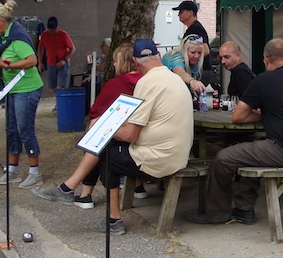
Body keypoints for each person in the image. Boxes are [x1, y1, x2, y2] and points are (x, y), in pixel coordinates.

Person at [188, 39, 283, 225]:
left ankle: (216, 214)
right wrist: (273, 112)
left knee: (223, 158)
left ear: (265, 59)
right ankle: (244, 208)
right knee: (253, 152)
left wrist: (267, 113)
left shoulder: (263, 80)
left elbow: (238, 117)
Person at [85, 39, 193, 235]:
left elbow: (130, 135)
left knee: (108, 155)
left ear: (135, 62)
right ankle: (130, 195)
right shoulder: (175, 78)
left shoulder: (146, 83)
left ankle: (113, 219)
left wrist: (103, 126)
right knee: (117, 151)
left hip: (160, 159)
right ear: (158, 55)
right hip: (180, 155)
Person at [32, 43, 143, 207]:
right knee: (100, 138)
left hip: (128, 139)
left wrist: (95, 124)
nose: (113, 65)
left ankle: (77, 191)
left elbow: (97, 111)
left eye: (115, 61)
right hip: (144, 136)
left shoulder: (117, 84)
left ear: (124, 63)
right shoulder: (145, 81)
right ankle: (134, 187)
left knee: (97, 138)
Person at [0, 0, 45, 188]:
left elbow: (32, 60)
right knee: (11, 129)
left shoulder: (17, 37)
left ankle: (34, 172)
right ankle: (12, 170)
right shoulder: (5, 36)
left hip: (26, 89)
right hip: (13, 89)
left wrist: (9, 65)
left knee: (24, 129)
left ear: (0, 20)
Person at [37, 16, 76, 95]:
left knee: (61, 85)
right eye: (50, 29)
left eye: (54, 30)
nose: (52, 32)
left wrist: (64, 60)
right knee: (52, 86)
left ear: (57, 27)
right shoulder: (44, 35)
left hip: (63, 62)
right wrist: (40, 62)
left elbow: (72, 48)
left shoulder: (63, 34)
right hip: (51, 63)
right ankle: (57, 98)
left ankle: (60, 99)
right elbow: (40, 48)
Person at [173, 0, 211, 70]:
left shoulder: (196, 29)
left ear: (190, 12)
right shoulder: (193, 28)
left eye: (181, 12)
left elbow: (206, 50)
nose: (178, 15)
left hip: (200, 71)